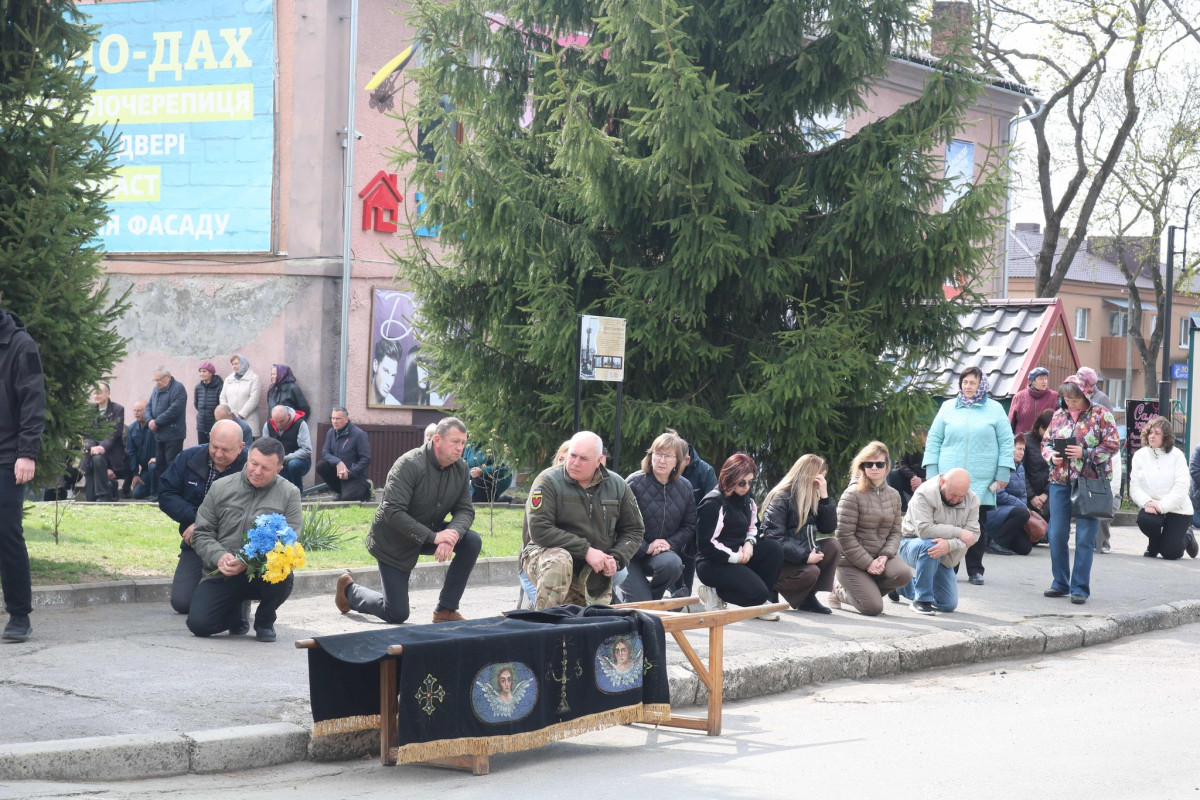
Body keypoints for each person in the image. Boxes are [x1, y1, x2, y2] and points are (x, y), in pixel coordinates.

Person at [335, 417, 481, 623]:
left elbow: (465, 510)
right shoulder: (409, 464)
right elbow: (392, 511)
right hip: (394, 539)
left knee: (472, 541)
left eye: (463, 443)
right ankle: (349, 591)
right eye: (455, 442)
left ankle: (445, 610)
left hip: (429, 532)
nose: (460, 448)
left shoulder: (461, 468)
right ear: (437, 439)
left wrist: (452, 535)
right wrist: (434, 537)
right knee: (396, 614)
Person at [186, 437, 301, 642]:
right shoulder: (220, 487)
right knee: (199, 625)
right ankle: (235, 614)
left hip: (261, 573)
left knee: (282, 570)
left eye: (266, 468)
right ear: (247, 458)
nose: (257, 471)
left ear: (279, 469)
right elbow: (203, 533)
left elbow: (289, 542)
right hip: (224, 570)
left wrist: (249, 561)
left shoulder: (290, 493)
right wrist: (219, 556)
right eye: (253, 463)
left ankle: (265, 620)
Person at [519, 431, 643, 608]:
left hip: (592, 566)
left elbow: (634, 530)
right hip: (545, 556)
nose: (575, 463)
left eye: (583, 459)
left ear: (598, 461)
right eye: (572, 455)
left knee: (589, 619)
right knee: (560, 560)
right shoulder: (548, 481)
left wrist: (615, 558)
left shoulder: (617, 485)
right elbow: (540, 530)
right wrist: (586, 550)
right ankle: (545, 624)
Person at [922, 366, 1014, 586]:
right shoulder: (947, 407)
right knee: (947, 522)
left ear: (981, 384)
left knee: (976, 524)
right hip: (948, 477)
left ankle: (975, 569)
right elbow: (934, 440)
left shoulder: (995, 409)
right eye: (965, 382)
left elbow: (1007, 442)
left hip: (981, 478)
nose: (968, 386)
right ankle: (948, 568)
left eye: (973, 382)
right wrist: (932, 473)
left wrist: (1002, 472)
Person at [1041, 370, 1120, 604]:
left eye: (1075, 399)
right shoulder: (1058, 415)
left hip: (1089, 482)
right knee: (1056, 534)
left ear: (1086, 395)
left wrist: (1086, 452)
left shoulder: (1101, 414)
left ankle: (1079, 587)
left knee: (1085, 537)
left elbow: (1113, 445)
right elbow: (1045, 443)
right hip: (1059, 481)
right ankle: (1060, 582)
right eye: (1066, 398)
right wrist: (1051, 456)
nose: (1070, 402)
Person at [158, 420, 249, 616]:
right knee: (182, 603)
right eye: (214, 446)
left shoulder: (251, 468)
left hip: (233, 543)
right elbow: (166, 494)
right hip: (196, 542)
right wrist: (196, 521)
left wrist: (202, 524)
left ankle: (237, 598)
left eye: (225, 450)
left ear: (241, 447)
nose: (218, 453)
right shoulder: (188, 458)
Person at [0, 304, 46, 642]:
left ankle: (19, 614)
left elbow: (34, 399)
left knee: (7, 534)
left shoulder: (20, 345)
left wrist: (27, 453)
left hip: (6, 455)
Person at [694, 453, 784, 620]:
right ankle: (716, 592)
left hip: (739, 553)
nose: (747, 486)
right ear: (730, 477)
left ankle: (757, 601)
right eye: (742, 482)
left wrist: (749, 543)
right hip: (712, 562)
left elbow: (754, 526)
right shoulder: (713, 503)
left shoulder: (746, 499)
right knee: (758, 593)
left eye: (750, 482)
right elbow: (707, 545)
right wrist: (735, 557)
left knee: (774, 549)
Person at [830, 441, 912, 616]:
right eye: (869, 464)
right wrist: (869, 563)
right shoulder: (851, 494)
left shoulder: (894, 495)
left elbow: (896, 531)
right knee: (873, 608)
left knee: (904, 574)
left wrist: (884, 556)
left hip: (879, 557)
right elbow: (844, 536)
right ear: (862, 466)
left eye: (879, 464)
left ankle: (866, 591)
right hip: (850, 562)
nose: (874, 468)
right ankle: (838, 590)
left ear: (887, 466)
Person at [618, 431, 696, 602]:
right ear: (650, 456)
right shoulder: (633, 483)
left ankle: (651, 599)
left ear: (677, 462)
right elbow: (618, 525)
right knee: (641, 602)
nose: (662, 460)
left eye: (668, 456)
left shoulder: (685, 487)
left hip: (660, 555)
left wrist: (669, 543)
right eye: (658, 454)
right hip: (630, 554)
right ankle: (636, 597)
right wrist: (646, 547)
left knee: (673, 564)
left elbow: (689, 526)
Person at [761, 454, 840, 614]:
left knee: (833, 545)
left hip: (799, 553)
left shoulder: (812, 497)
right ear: (809, 477)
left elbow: (828, 527)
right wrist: (805, 556)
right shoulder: (781, 497)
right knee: (812, 571)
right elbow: (774, 539)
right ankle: (771, 586)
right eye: (819, 479)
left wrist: (824, 498)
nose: (821, 483)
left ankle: (807, 597)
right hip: (778, 562)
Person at [894, 469, 980, 615]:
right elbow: (924, 530)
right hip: (911, 543)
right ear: (942, 483)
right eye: (953, 494)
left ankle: (900, 585)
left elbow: (973, 535)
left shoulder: (972, 499)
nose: (956, 500)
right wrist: (958, 532)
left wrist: (949, 545)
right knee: (931, 544)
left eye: (961, 496)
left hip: (945, 552)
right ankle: (922, 600)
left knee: (948, 604)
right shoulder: (924, 493)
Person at [1130, 416, 1197, 560]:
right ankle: (1153, 545)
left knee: (1170, 553)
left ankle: (1188, 537)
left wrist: (1160, 506)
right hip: (1151, 507)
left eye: (1157, 433)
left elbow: (1181, 488)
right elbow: (1134, 488)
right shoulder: (1139, 456)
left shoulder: (1177, 456)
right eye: (1150, 432)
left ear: (1165, 437)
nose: (1152, 436)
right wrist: (1147, 502)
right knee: (1146, 520)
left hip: (1178, 509)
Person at [985, 435, 1033, 556]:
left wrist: (1023, 505)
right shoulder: (1000, 466)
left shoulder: (1020, 467)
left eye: (1023, 449)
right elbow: (999, 494)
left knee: (1025, 548)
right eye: (1019, 449)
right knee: (1023, 513)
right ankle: (995, 542)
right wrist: (1022, 506)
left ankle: (998, 539)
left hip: (1012, 510)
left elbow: (1023, 493)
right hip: (995, 509)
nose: (1022, 453)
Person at [316, 407, 372, 501]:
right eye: (333, 418)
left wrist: (350, 473)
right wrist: (338, 462)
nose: (334, 421)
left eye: (338, 419)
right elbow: (325, 452)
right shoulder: (331, 432)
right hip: (338, 473)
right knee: (321, 466)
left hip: (353, 473)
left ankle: (367, 488)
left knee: (347, 499)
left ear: (346, 419)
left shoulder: (359, 434)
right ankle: (339, 490)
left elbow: (366, 459)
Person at [81, 381, 124, 502]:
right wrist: (91, 446)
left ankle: (103, 495)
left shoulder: (117, 409)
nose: (95, 396)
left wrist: (102, 447)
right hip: (91, 451)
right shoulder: (90, 410)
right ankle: (109, 487)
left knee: (97, 458)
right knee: (89, 498)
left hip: (111, 452)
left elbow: (114, 432)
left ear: (108, 393)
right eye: (94, 393)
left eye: (98, 393)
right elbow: (86, 432)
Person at [147, 367, 188, 473]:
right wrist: (149, 420)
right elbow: (149, 406)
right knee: (160, 466)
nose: (157, 383)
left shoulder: (178, 388)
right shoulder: (156, 389)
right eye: (155, 380)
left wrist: (157, 422)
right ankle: (161, 489)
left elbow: (175, 409)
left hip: (173, 435)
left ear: (168, 377)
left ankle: (172, 489)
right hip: (159, 435)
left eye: (159, 380)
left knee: (172, 466)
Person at [262, 405, 312, 491]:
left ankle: (298, 490)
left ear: (288, 416)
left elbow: (306, 450)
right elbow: (264, 446)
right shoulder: (268, 425)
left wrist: (286, 458)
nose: (278, 424)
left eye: (282, 421)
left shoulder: (300, 423)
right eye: (276, 421)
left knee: (293, 464)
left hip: (299, 460)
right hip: (278, 461)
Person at [1023, 408, 1053, 529]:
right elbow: (1020, 471)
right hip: (1028, 493)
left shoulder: (1056, 443)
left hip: (1047, 494)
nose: (1047, 434)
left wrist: (1046, 493)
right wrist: (1031, 496)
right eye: (1044, 429)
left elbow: (1057, 471)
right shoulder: (1025, 441)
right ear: (1038, 426)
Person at [1008, 367, 1059, 436]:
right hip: (1022, 441)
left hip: (1045, 441)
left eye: (1046, 378)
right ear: (1032, 381)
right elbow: (1011, 421)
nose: (1044, 381)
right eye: (1041, 379)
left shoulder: (1054, 396)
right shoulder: (1019, 396)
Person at [887, 429, 927, 513]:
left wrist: (922, 481)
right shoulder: (907, 446)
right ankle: (902, 507)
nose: (915, 441)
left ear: (925, 437)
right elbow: (900, 464)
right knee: (893, 474)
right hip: (910, 480)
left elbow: (936, 472)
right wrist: (913, 477)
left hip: (927, 482)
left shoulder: (932, 449)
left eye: (918, 438)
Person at [219, 353, 261, 433]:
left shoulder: (253, 378)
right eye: (232, 364)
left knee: (247, 444)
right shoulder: (229, 379)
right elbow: (223, 397)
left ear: (243, 363)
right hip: (231, 420)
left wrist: (240, 415)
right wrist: (227, 413)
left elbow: (254, 399)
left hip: (248, 420)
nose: (234, 366)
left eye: (237, 364)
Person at [125, 400, 158, 500]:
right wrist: (135, 474)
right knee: (137, 494)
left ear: (147, 411)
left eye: (139, 411)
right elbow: (131, 452)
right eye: (134, 411)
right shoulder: (132, 429)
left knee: (153, 467)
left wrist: (158, 458)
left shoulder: (154, 427)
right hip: (144, 470)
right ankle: (149, 490)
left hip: (157, 467)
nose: (136, 413)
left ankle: (156, 494)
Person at [193, 362, 223, 445]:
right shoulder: (198, 387)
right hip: (201, 426)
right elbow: (196, 404)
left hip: (214, 424)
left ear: (211, 373)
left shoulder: (219, 386)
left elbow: (221, 405)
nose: (201, 374)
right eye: (200, 371)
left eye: (204, 371)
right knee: (202, 449)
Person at [370, 339, 402, 406]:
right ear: (375, 365)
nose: (389, 383)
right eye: (386, 371)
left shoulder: (395, 405)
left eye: (393, 375)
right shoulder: (359, 395)